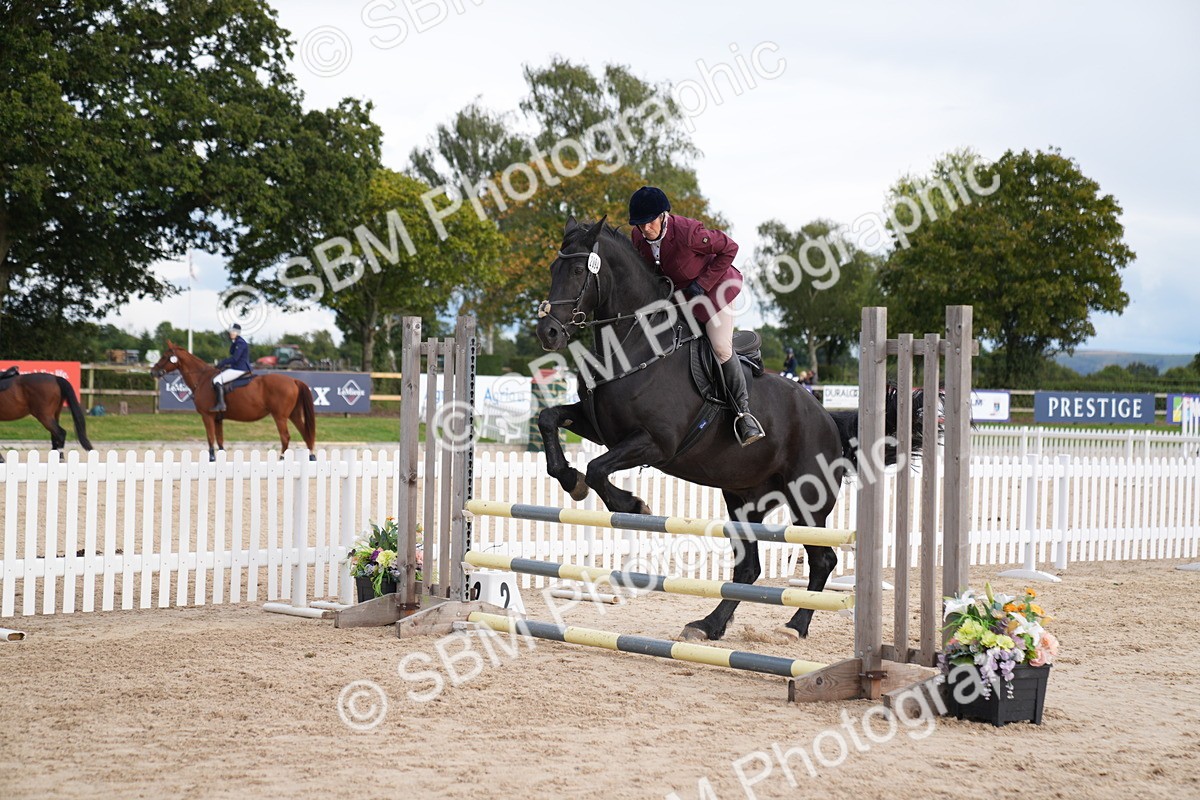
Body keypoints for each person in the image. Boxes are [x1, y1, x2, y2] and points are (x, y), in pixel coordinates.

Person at [628, 186, 765, 446]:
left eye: (649, 222)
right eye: (639, 223)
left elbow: (730, 248)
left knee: (720, 347)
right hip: (682, 299)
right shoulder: (637, 237)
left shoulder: (688, 232)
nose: (645, 228)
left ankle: (744, 414)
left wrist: (703, 283)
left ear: (663, 216)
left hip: (715, 292)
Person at [212, 323, 251, 412]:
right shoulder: (236, 342)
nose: (230, 333)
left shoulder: (240, 343)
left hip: (239, 369)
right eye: (230, 331)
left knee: (217, 380)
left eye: (233, 331)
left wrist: (222, 363)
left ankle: (221, 404)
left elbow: (235, 358)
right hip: (236, 367)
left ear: (237, 332)